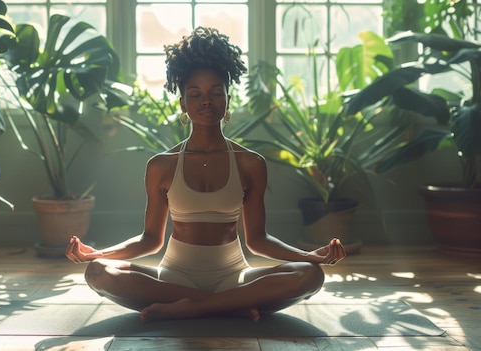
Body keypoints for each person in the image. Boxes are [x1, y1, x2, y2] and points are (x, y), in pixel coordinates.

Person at [66, 26, 346, 323]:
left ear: (227, 99)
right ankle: (228, 306)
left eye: (215, 92)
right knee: (97, 272)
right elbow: (150, 240)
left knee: (310, 276)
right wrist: (96, 254)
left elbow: (258, 240)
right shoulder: (162, 164)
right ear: (183, 104)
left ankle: (195, 307)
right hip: (172, 278)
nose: (206, 100)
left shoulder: (250, 163)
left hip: (234, 277)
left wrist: (309, 257)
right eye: (195, 93)